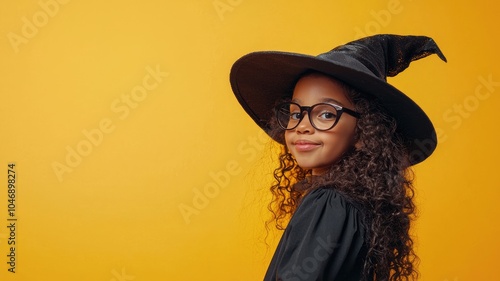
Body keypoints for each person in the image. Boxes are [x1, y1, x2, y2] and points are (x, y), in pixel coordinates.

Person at [229, 34, 446, 281]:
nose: (302, 126)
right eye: (295, 113)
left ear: (364, 131)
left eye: (326, 115)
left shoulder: (330, 202)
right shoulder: (351, 203)